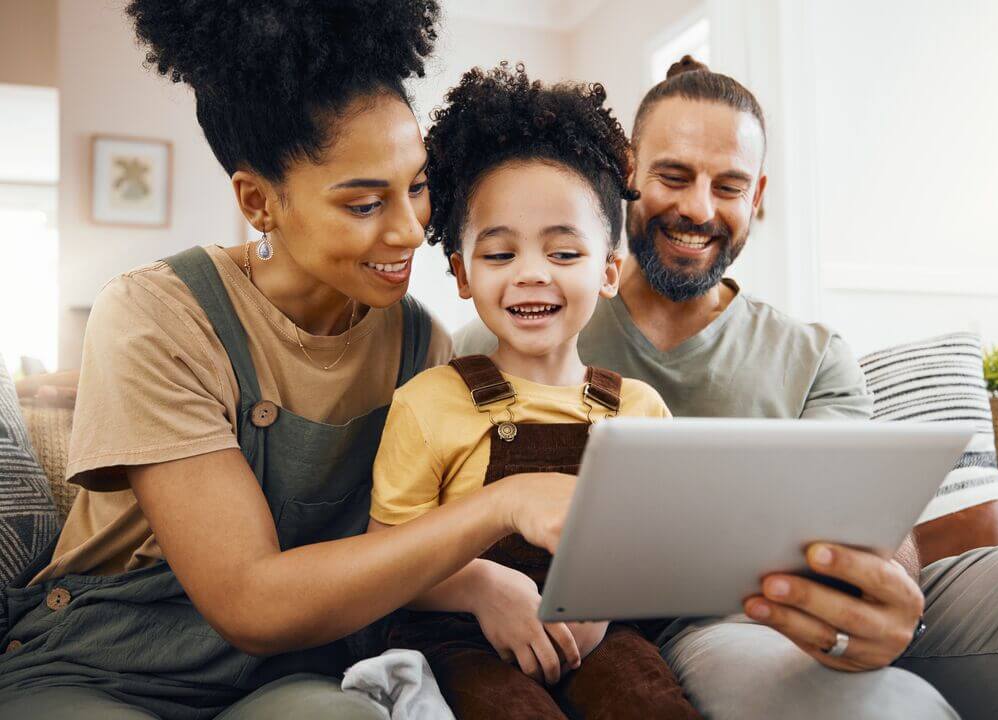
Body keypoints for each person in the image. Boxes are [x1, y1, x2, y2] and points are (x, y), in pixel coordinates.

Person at [456, 58, 998, 720]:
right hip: (688, 634)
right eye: (674, 176)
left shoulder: (815, 355)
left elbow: (870, 521)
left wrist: (886, 584)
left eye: (729, 186)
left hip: (796, 607)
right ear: (628, 173)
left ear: (757, 197)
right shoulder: (525, 326)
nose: (698, 208)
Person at [0, 3, 576, 718]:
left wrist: (481, 581)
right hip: (106, 662)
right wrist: (502, 507)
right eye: (364, 205)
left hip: (292, 672)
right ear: (258, 202)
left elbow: (406, 543)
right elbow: (250, 602)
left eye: (417, 186)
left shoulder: (420, 343)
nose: (409, 230)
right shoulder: (155, 314)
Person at [368, 63, 700, 720]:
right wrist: (481, 587)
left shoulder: (640, 410)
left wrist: (606, 602)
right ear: (462, 272)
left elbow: (664, 550)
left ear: (609, 270)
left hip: (600, 636)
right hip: (463, 637)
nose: (530, 275)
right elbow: (385, 560)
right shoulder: (429, 402)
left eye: (563, 253)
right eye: (499, 254)